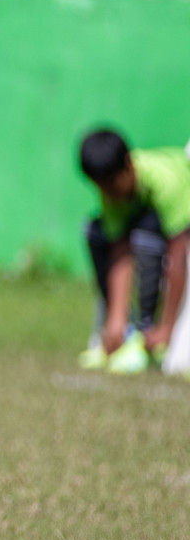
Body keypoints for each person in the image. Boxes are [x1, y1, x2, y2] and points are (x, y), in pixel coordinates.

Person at [76, 128, 190, 375]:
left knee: (145, 235)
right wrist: (116, 319)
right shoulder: (111, 188)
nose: (109, 194)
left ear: (128, 166)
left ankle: (148, 332)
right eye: (102, 188)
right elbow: (120, 253)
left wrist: (167, 328)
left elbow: (179, 257)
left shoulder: (166, 181)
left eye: (112, 186)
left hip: (183, 241)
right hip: (167, 239)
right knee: (95, 231)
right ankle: (127, 333)